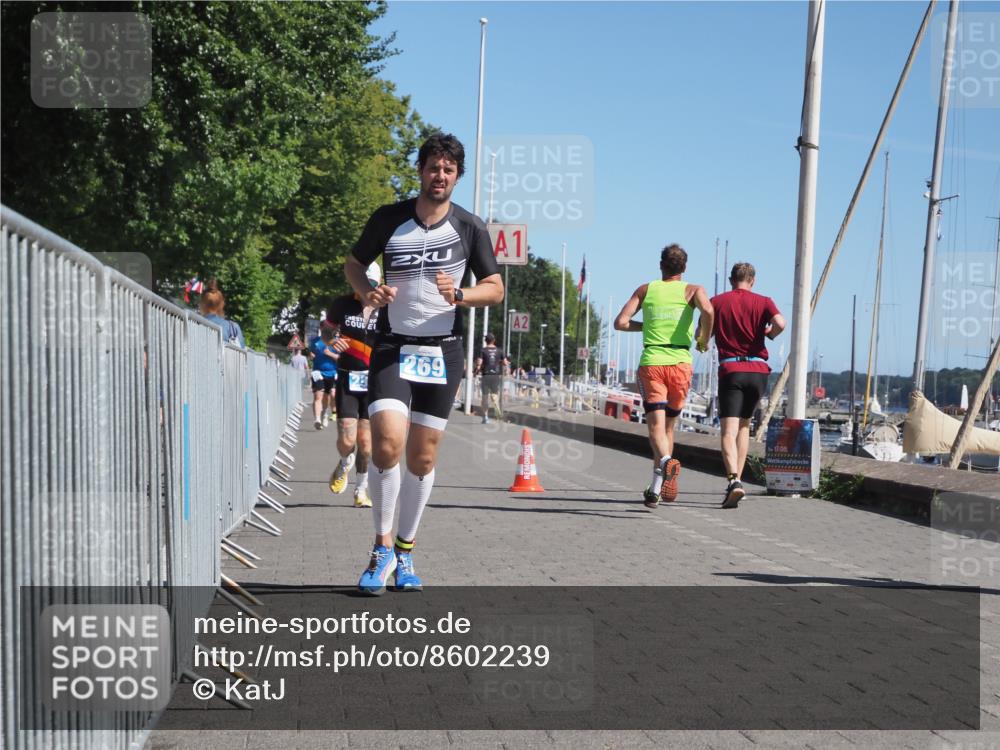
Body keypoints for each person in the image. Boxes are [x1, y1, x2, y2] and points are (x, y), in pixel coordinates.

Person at [344, 132, 503, 595]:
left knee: (423, 455)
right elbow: (353, 263)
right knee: (388, 444)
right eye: (433, 167)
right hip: (393, 345)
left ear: (457, 176)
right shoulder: (389, 218)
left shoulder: (469, 227)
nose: (440, 176)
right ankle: (380, 549)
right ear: (420, 170)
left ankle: (406, 552)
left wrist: (463, 295)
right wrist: (366, 291)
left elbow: (495, 286)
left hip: (442, 351)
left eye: (449, 170)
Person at [615, 244, 713, 509]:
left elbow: (621, 322)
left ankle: (666, 463)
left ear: (661, 266)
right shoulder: (694, 290)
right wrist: (703, 339)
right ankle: (657, 489)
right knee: (668, 428)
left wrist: (645, 326)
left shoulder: (646, 289)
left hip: (653, 363)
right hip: (681, 362)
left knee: (655, 429)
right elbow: (709, 311)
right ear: (684, 268)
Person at [710, 262, 785, 508]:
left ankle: (734, 481)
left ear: (732, 280)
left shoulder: (718, 301)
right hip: (758, 372)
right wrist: (769, 334)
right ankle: (738, 480)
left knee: (728, 432)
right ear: (752, 281)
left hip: (732, 370)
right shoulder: (764, 301)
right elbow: (781, 323)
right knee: (744, 427)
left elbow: (704, 331)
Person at [326, 262, 383, 508]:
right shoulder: (342, 304)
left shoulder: (388, 308)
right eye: (362, 285)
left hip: (375, 381)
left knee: (367, 443)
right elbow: (325, 331)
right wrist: (331, 341)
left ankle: (361, 491)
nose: (366, 290)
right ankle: (343, 462)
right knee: (347, 441)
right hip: (348, 377)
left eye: (371, 285)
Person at [199, 278, 246, 348]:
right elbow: (242, 354)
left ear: (202, 304)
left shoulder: (193, 323)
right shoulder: (233, 328)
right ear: (222, 304)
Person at [309, 324, 339, 430]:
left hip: (332, 373)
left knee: (330, 395)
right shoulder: (315, 342)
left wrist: (330, 354)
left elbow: (340, 358)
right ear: (321, 329)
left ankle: (326, 413)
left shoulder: (335, 342)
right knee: (318, 396)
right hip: (318, 372)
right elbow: (312, 354)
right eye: (323, 328)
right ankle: (317, 419)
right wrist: (311, 356)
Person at [475, 333, 509, 423]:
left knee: (485, 397)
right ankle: (497, 409)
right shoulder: (500, 351)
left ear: (486, 341)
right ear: (494, 340)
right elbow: (505, 363)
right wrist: (499, 362)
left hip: (486, 375)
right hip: (495, 376)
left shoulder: (483, 350)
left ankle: (485, 417)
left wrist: (476, 370)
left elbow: (479, 363)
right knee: (495, 395)